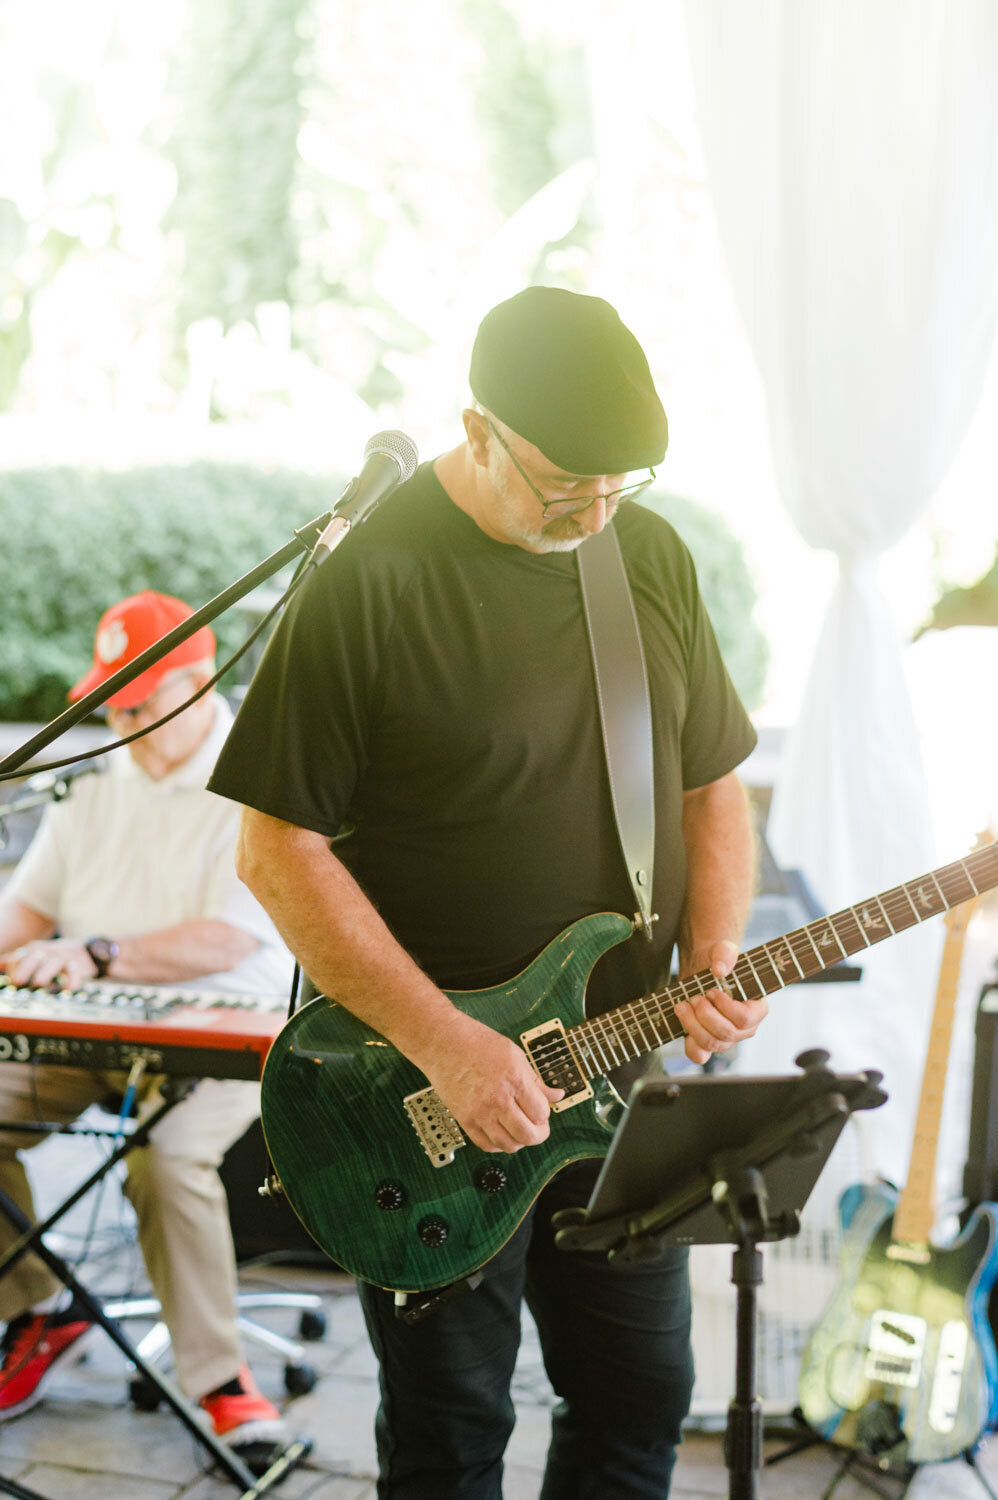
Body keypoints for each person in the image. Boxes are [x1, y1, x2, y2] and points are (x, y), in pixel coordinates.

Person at [208, 286, 767, 1498]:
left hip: (615, 1071)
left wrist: (713, 955)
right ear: (476, 430)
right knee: (452, 1430)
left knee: (637, 1397)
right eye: (566, 487)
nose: (596, 511)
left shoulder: (643, 557)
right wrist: (449, 1045)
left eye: (621, 485)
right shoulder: (369, 582)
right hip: (423, 1099)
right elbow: (275, 851)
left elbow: (712, 784)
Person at [0, 590, 293, 1458]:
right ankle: (34, 1305)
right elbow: (24, 914)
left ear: (200, 683)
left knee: (164, 1157)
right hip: (89, 1029)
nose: (119, 713)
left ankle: (222, 1385)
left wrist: (94, 952)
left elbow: (229, 934)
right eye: (113, 697)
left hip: (231, 1034)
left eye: (139, 698)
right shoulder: (94, 782)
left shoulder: (263, 771)